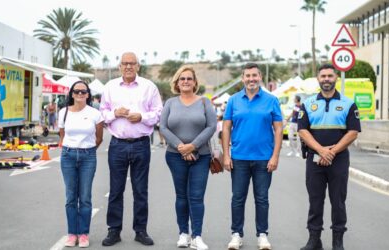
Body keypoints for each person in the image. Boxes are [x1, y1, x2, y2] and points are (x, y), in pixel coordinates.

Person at [100, 52, 163, 247]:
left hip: (141, 144)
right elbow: (102, 112)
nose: (128, 66)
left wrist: (141, 117)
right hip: (117, 144)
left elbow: (158, 113)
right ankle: (114, 230)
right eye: (124, 63)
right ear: (119, 66)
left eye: (132, 63)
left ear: (138, 66)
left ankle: (140, 230)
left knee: (140, 190)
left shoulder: (149, 87)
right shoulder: (110, 87)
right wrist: (114, 113)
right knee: (116, 190)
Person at [298, 64, 361, 250]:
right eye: (323, 76)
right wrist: (320, 150)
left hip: (339, 160)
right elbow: (302, 130)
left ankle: (337, 242)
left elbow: (353, 132)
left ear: (336, 78)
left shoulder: (348, 103)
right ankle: (314, 240)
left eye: (330, 76)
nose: (326, 79)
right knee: (315, 200)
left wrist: (331, 152)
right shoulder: (308, 104)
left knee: (338, 201)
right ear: (318, 79)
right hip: (314, 159)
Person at [222, 63, 283, 250]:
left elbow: (279, 128)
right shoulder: (233, 100)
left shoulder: (271, 100)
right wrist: (226, 155)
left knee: (262, 198)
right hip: (239, 157)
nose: (251, 79)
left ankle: (262, 235)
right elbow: (226, 127)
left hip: (264, 158)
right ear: (242, 78)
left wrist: (275, 156)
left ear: (260, 77)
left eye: (254, 75)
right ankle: (236, 235)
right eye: (247, 76)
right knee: (237, 198)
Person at [159, 65, 217, 250]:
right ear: (177, 83)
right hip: (175, 156)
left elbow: (211, 126)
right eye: (182, 79)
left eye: (189, 79)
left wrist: (193, 146)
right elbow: (163, 128)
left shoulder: (204, 102)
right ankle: (183, 234)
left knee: (196, 197)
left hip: (201, 156)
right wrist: (181, 147)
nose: (185, 81)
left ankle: (197, 236)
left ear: (194, 83)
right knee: (181, 196)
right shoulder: (170, 103)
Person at [58, 81, 104, 248]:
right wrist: (72, 148)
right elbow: (62, 136)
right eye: (76, 91)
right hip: (68, 156)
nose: (79, 94)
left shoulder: (95, 114)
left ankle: (83, 234)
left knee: (85, 197)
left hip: (88, 157)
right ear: (71, 94)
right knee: (71, 197)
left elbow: (99, 138)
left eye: (83, 91)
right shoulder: (63, 112)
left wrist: (87, 150)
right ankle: (72, 234)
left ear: (88, 94)